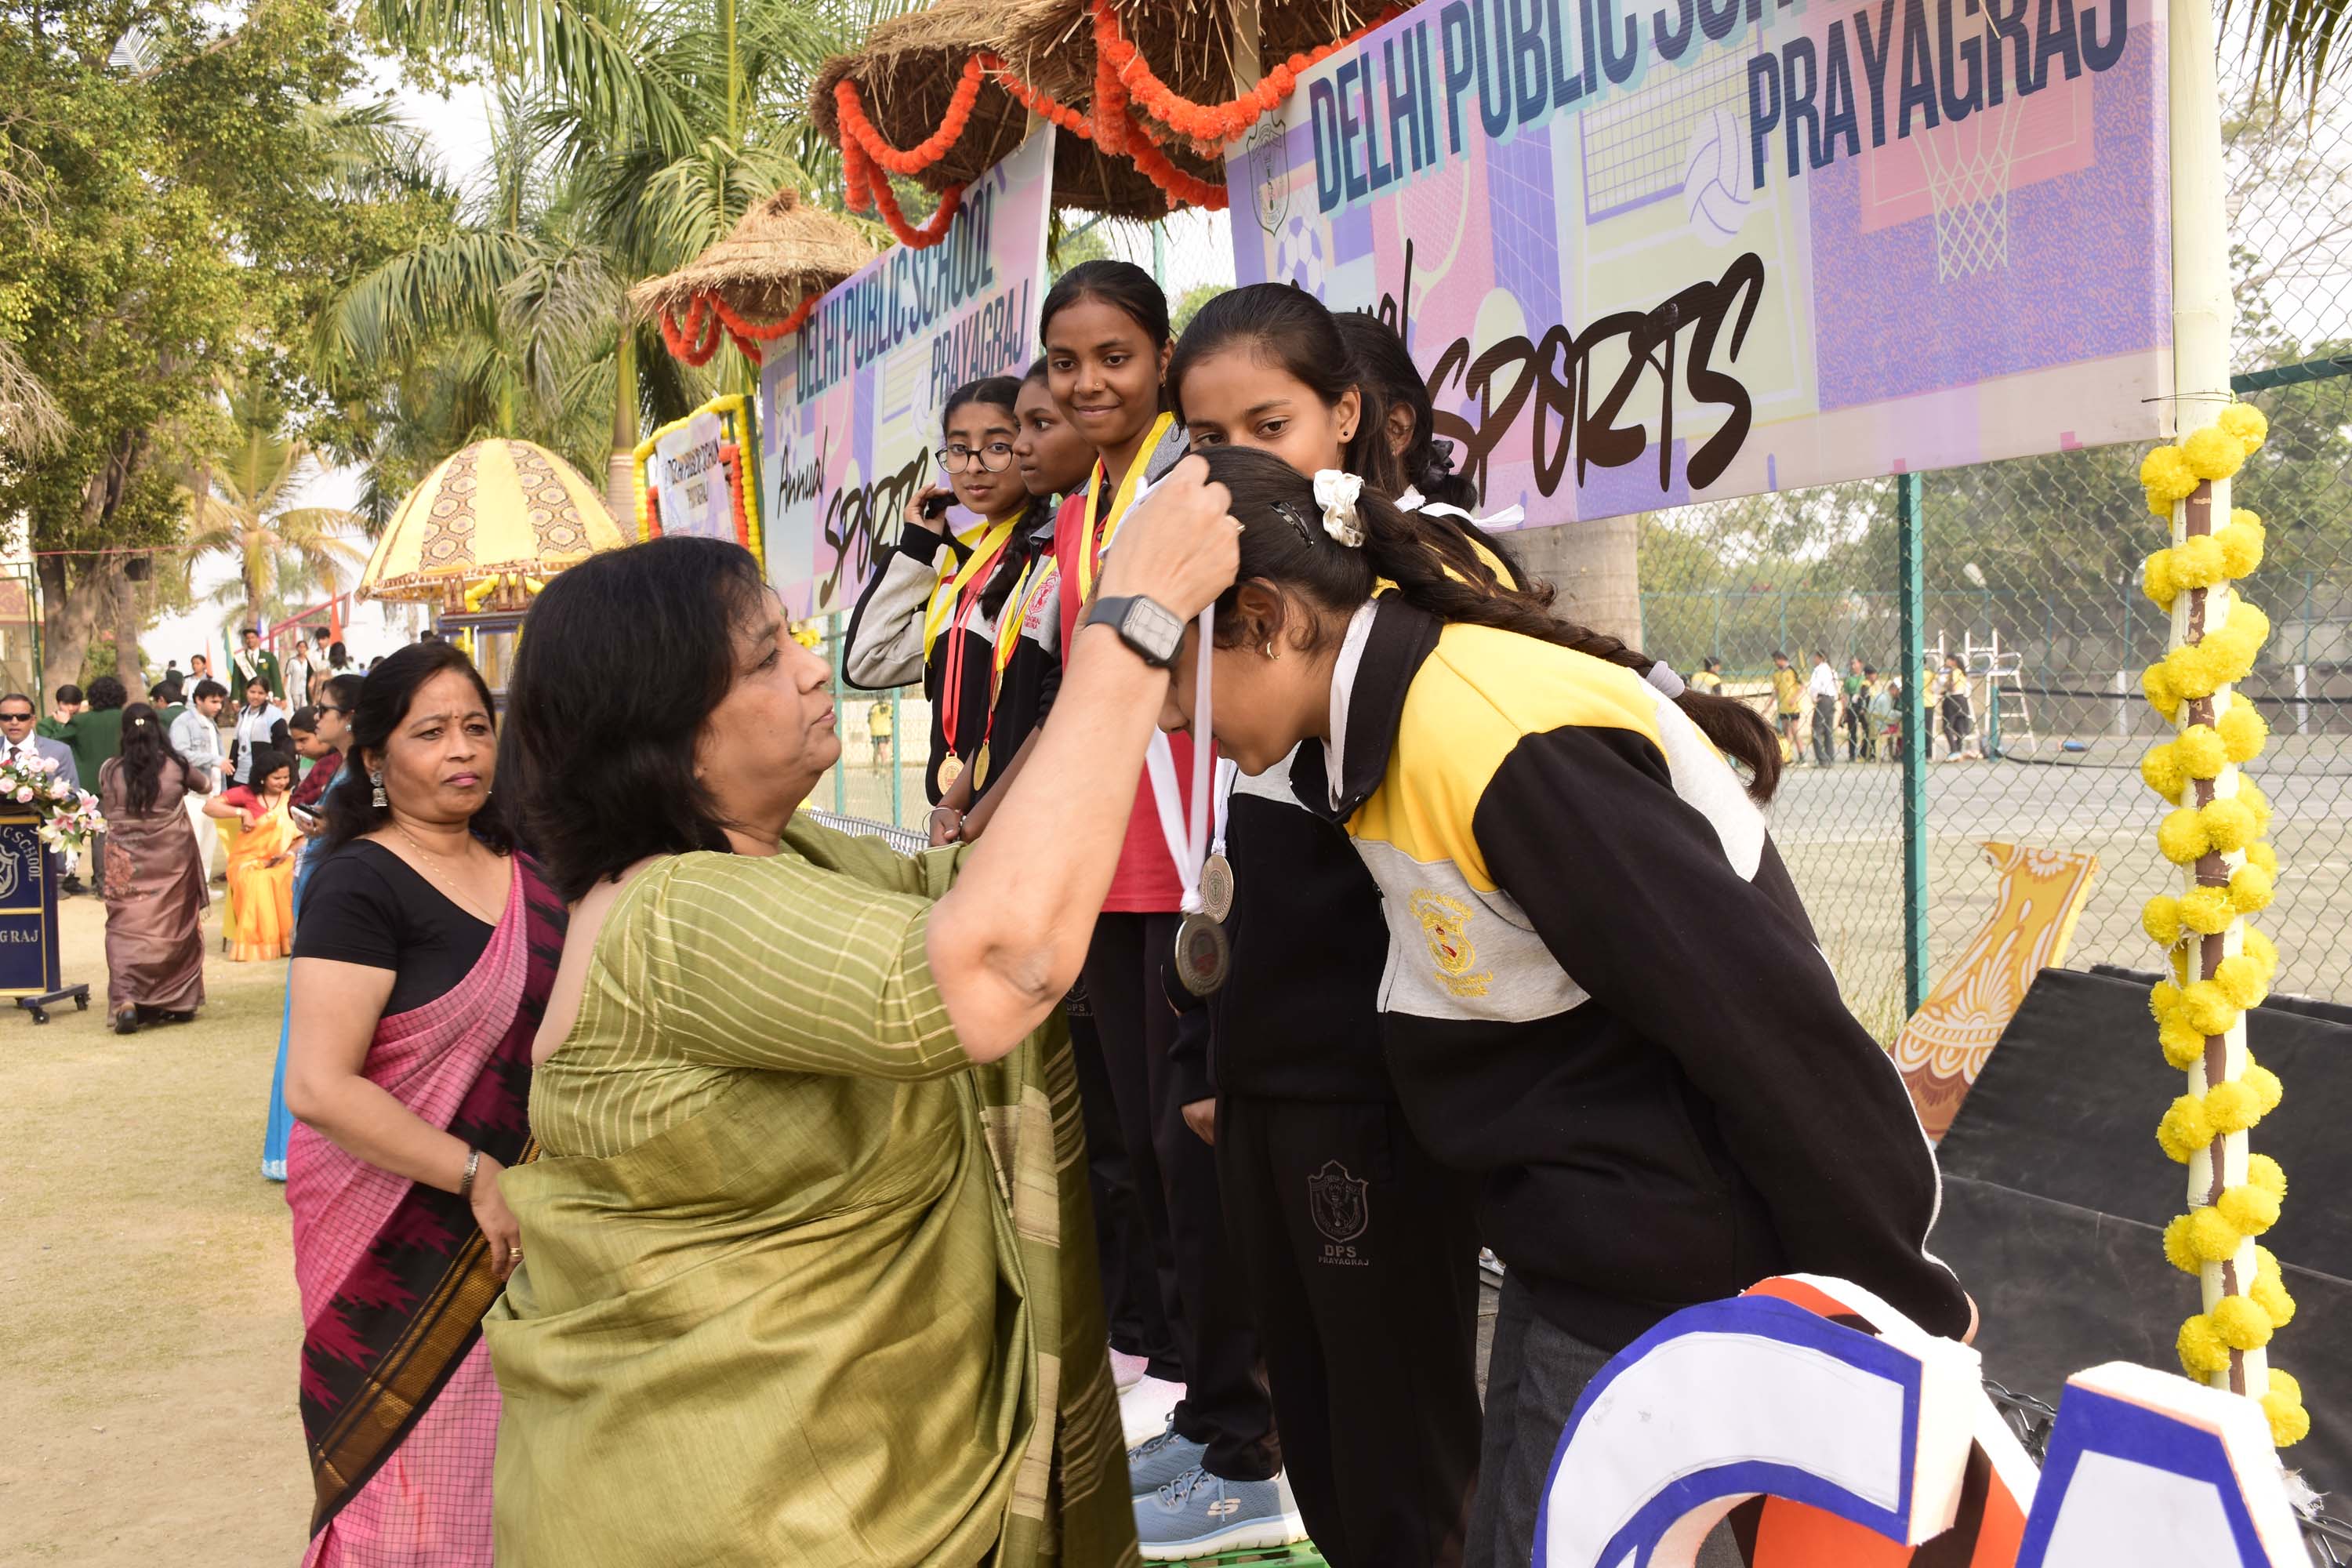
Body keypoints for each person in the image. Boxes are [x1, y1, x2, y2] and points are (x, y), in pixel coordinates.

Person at [1160, 446, 1975, 1568]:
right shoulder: (1376, 733)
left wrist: (1901, 1296)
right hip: (1575, 1229)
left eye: (1173, 677)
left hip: (1666, 1243)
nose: (1170, 718)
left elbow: (1765, 1018)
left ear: (1263, 619)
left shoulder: (1488, 735)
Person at [485, 496, 1235, 1564]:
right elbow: (998, 963)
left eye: (791, 638)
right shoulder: (672, 914)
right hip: (756, 1514)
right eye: (763, 659)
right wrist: (1135, 623)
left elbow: (983, 886)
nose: (808, 670)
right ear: (668, 737)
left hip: (843, 1482)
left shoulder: (789, 859)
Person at [1160, 285, 1497, 1565]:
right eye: (1207, 437)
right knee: (1315, 1413)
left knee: (1400, 1426)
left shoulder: (1424, 591)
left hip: (1373, 1094)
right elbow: (1240, 873)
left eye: (1270, 424)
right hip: (1267, 1078)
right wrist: (1215, 1057)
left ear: (1353, 419)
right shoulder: (1235, 591)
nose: (1235, 458)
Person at [1043, 260, 1289, 1548]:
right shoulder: (1083, 508)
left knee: (1200, 1152)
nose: (1090, 382)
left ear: (1160, 361)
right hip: (1117, 863)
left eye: (1115, 357)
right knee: (1149, 1152)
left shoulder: (1186, 490)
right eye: (1067, 361)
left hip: (1200, 863)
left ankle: (1254, 1445)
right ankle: (1207, 1408)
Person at [282, 643, 556, 1568]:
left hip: (533, 1228)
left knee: (519, 1483)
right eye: (430, 732)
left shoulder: (533, 867)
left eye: (476, 727)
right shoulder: (359, 883)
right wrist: (475, 1174)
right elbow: (319, 1083)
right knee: (409, 1492)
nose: (462, 750)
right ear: (374, 758)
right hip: (398, 1235)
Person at [841, 376, 1034, 803]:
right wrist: (917, 547)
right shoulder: (956, 575)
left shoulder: (1052, 555)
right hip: (953, 817)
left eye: (996, 446)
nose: (973, 466)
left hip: (1017, 813)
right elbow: (866, 662)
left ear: (1029, 445)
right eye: (959, 448)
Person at [263, 676, 363, 1182]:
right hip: (318, 883)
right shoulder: (341, 765)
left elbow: (377, 826)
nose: (316, 716)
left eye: (323, 709)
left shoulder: (368, 766)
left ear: (350, 717)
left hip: (340, 894)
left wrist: (332, 827)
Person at [97, 704, 210, 1033]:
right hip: (172, 862)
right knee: (174, 928)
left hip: (125, 865)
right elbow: (204, 786)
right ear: (158, 730)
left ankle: (127, 1000)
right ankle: (177, 1000)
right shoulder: (177, 766)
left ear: (124, 732)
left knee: (124, 928)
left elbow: (108, 803)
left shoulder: (109, 769)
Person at [208, 746, 298, 961]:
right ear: (262, 777)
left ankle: (286, 942)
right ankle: (261, 945)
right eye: (276, 778)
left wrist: (287, 854)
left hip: (282, 858)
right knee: (257, 880)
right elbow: (209, 806)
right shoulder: (247, 794)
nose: (282, 782)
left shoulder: (292, 798)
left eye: (286, 777)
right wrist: (242, 812)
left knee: (284, 876)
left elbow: (301, 836)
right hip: (247, 859)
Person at [44, 675, 125, 893]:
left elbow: (57, 745)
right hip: (118, 784)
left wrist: (62, 725)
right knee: (106, 837)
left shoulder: (81, 721)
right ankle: (103, 884)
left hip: (83, 786)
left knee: (74, 834)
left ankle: (64, 880)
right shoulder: (125, 718)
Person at [172, 679, 229, 879]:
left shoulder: (211, 723)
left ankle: (203, 886)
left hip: (213, 794)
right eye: (214, 702)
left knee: (208, 845)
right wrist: (215, 760)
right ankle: (188, 888)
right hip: (193, 795)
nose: (218, 707)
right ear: (198, 699)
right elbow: (181, 754)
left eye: (220, 702)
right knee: (191, 843)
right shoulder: (184, 722)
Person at [230, 676, 289, 786]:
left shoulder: (274, 714)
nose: (256, 696)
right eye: (252, 692)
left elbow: (282, 746)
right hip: (240, 774)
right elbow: (236, 743)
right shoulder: (243, 712)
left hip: (262, 774)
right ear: (246, 691)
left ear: (267, 694)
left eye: (261, 693)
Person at [1937, 652, 1976, 761]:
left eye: (1947, 660)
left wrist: (1945, 685)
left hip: (1953, 700)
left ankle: (1954, 751)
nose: (1945, 662)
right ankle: (1958, 750)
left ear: (1953, 661)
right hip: (1962, 700)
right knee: (1959, 727)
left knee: (1947, 727)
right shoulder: (1962, 672)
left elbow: (1953, 687)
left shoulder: (1954, 672)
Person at [231, 624, 283, 702]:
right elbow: (235, 681)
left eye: (252, 637)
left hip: (266, 696)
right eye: (247, 638)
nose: (250, 640)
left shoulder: (269, 657)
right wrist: (234, 699)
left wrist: (278, 696)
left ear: (258, 639)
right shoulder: (239, 658)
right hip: (246, 698)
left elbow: (276, 678)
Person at [1806, 650, 1839, 766]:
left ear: (1820, 658)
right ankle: (1830, 757)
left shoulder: (1819, 670)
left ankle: (1822, 758)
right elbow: (1837, 686)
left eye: (1815, 657)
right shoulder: (1832, 670)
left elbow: (1814, 686)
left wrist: (1814, 698)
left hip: (1823, 699)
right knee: (1828, 729)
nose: (1814, 660)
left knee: (1817, 728)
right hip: (1832, 699)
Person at [1769, 652, 1802, 764]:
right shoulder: (1776, 674)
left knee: (1794, 731)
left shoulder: (1792, 671)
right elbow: (1776, 691)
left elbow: (1802, 686)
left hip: (1793, 708)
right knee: (1785, 733)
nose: (1775, 663)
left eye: (1776, 660)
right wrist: (1768, 705)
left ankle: (1802, 756)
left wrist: (1794, 698)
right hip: (1783, 708)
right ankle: (1788, 757)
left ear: (1782, 659)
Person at [1867, 666, 1897, 760]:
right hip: (1880, 725)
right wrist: (1900, 714)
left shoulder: (1882, 695)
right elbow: (1887, 715)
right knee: (1899, 729)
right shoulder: (1885, 698)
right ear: (1893, 689)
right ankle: (1896, 754)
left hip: (1873, 723)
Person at [866, 697, 892, 766]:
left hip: (877, 731)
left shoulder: (874, 707)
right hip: (884, 731)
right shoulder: (889, 707)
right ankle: (880, 765)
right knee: (880, 750)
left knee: (880, 749)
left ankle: (882, 766)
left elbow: (869, 719)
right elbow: (892, 718)